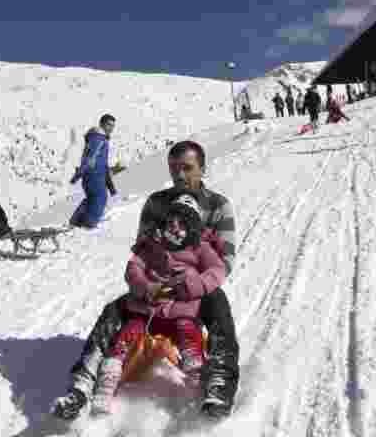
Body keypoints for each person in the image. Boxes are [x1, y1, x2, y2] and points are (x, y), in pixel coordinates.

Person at [52, 140, 239, 420]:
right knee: (115, 310)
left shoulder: (218, 205)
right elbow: (144, 250)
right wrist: (149, 285)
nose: (179, 175)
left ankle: (219, 383)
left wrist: (190, 285)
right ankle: (82, 385)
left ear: (202, 169)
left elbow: (224, 261)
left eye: (187, 168)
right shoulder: (157, 203)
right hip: (156, 287)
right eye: (174, 168)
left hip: (196, 289)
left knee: (218, 305)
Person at [88, 193, 227, 414]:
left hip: (182, 309)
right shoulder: (152, 245)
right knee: (128, 332)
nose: (175, 228)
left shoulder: (200, 248)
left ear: (192, 228)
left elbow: (217, 271)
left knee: (188, 332)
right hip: (147, 309)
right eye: (171, 222)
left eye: (182, 224)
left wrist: (193, 285)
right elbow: (133, 269)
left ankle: (195, 381)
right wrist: (146, 287)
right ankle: (107, 384)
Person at [69, 114, 118, 229]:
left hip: (95, 176)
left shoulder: (99, 139)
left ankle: (76, 222)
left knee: (93, 199)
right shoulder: (98, 139)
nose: (111, 128)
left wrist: (110, 186)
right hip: (93, 176)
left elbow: (103, 165)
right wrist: (78, 174)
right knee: (99, 199)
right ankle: (88, 226)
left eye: (113, 126)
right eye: (109, 125)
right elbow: (89, 158)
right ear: (102, 124)